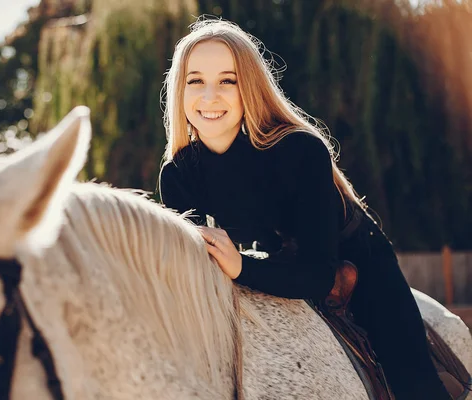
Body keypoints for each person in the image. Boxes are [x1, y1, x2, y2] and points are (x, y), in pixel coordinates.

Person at [157, 18, 453, 400]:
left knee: (414, 385)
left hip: (358, 269)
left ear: (249, 86)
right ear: (179, 90)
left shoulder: (300, 151)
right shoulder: (178, 174)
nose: (209, 95)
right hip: (271, 262)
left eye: (227, 80)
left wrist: (242, 266)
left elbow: (316, 275)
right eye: (195, 80)